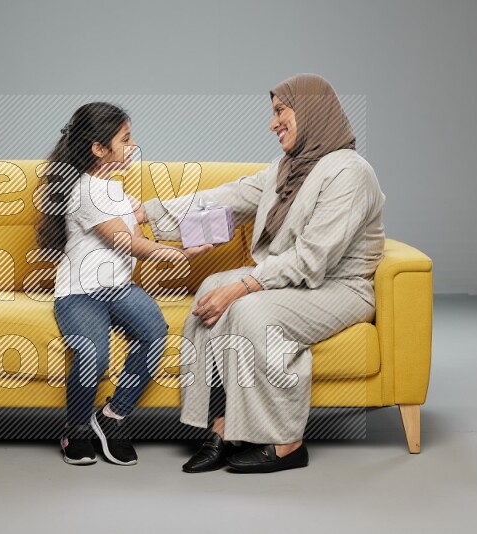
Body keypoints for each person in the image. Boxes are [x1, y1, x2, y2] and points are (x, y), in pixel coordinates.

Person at [134, 74, 386, 473]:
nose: (273, 123)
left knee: (250, 311)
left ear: (310, 110)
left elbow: (310, 258)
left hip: (339, 287)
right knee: (211, 288)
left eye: (281, 111)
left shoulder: (351, 173)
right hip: (294, 282)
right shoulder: (287, 168)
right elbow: (228, 201)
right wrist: (147, 213)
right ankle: (225, 424)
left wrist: (242, 288)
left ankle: (286, 442)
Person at [35, 102, 212, 466]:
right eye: (125, 139)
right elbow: (125, 242)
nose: (133, 147)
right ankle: (76, 428)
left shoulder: (116, 192)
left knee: (154, 333)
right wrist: (179, 255)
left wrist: (190, 238)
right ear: (99, 148)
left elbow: (140, 237)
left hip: (118, 290)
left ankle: (112, 416)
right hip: (81, 294)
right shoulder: (84, 190)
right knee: (93, 354)